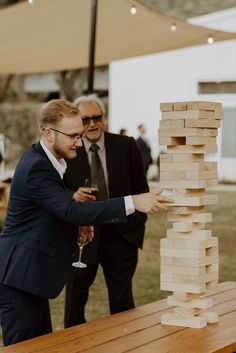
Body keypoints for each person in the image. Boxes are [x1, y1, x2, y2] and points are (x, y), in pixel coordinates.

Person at [0, 99, 172, 346]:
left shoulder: (46, 160)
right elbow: (71, 210)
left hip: (30, 278)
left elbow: (53, 210)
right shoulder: (37, 167)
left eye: (79, 135)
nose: (79, 143)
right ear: (48, 133)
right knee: (23, 348)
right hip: (18, 278)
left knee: (40, 347)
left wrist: (77, 226)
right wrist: (132, 201)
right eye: (73, 136)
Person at [64, 95, 168, 328]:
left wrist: (135, 228)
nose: (92, 123)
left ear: (103, 118)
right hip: (82, 238)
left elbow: (141, 189)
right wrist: (73, 195)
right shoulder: (69, 149)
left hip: (121, 236)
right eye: (86, 119)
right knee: (74, 302)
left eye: (96, 117)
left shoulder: (126, 145)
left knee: (122, 304)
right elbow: (59, 190)